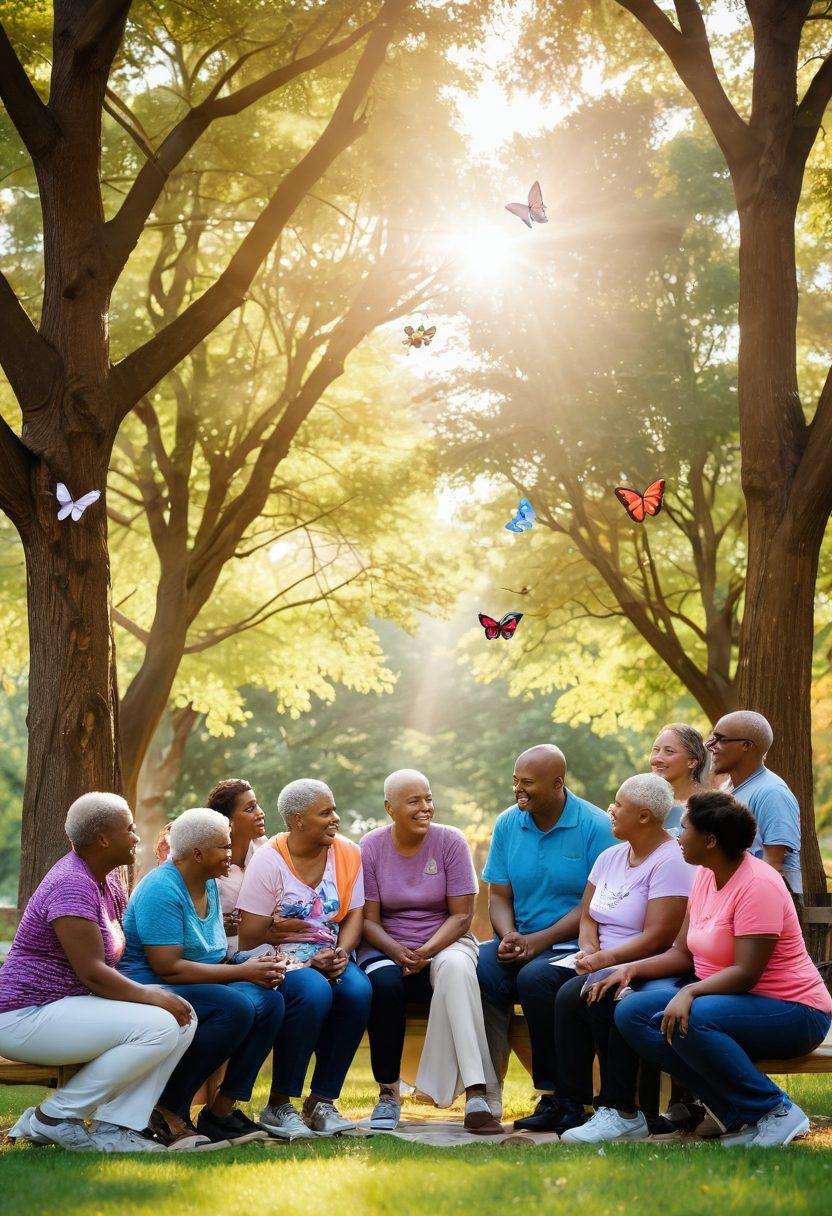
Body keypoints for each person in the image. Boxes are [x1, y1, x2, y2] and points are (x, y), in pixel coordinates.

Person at [599, 790, 831, 1147]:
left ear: (710, 840)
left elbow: (746, 973)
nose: (677, 834)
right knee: (631, 1012)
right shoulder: (705, 875)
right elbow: (681, 952)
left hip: (795, 1012)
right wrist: (629, 969)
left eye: (685, 827)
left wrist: (689, 992)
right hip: (734, 1006)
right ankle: (742, 1116)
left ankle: (777, 1112)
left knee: (692, 1016)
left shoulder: (758, 885)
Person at [0, 793, 196, 1153]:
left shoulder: (107, 879)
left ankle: (116, 1127)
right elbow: (93, 973)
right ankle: (56, 1116)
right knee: (160, 1024)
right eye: (130, 829)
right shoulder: (72, 884)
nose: (137, 837)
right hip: (23, 1015)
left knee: (182, 1017)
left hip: (64, 1006)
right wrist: (153, 995)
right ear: (103, 838)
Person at [119, 807, 286, 1149]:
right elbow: (168, 966)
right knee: (235, 1008)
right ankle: (167, 1105)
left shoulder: (208, 883)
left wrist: (252, 962)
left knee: (270, 1001)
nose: (231, 854)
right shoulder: (161, 890)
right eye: (224, 848)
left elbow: (209, 951)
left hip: (193, 979)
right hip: (150, 983)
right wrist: (242, 972)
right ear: (197, 853)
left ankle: (221, 1112)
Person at [543, 774, 695, 1143]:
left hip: (652, 964)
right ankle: (573, 1103)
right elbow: (588, 914)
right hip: (604, 958)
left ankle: (621, 1108)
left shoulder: (671, 860)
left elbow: (659, 937)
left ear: (643, 816)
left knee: (599, 996)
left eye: (619, 804)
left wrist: (605, 961)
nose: (610, 809)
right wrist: (591, 950)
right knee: (554, 989)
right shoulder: (611, 855)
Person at [476, 744, 616, 1132]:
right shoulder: (509, 823)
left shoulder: (595, 824)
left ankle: (560, 1097)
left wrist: (539, 940)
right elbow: (499, 895)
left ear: (558, 783)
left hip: (575, 944)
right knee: (481, 969)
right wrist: (508, 935)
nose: (519, 790)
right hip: (523, 941)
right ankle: (487, 1090)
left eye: (528, 783)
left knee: (535, 979)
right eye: (516, 781)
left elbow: (596, 904)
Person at [359, 769, 501, 1135]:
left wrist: (424, 952)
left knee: (457, 970)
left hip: (445, 943)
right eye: (414, 801)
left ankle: (476, 1094)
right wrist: (396, 950)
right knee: (384, 986)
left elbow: (462, 916)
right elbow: (368, 921)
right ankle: (389, 1094)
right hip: (386, 948)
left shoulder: (450, 841)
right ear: (390, 808)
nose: (426, 808)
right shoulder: (371, 846)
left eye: (428, 799)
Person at [237, 778, 372, 1140]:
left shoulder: (347, 853)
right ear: (297, 821)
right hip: (277, 957)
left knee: (357, 990)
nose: (336, 819)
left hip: (329, 951)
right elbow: (249, 934)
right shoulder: (270, 861)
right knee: (313, 991)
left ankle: (321, 1102)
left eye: (334, 810)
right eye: (325, 812)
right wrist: (279, 930)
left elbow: (355, 913)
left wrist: (342, 951)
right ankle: (279, 1103)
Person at [706, 710, 802, 898]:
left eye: (720, 739)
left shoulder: (772, 793)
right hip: (733, 898)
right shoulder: (728, 789)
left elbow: (774, 862)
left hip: (763, 903)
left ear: (746, 746)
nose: (711, 745)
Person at [206, 779, 268, 952]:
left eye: (257, 805)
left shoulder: (263, 847)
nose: (260, 813)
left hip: (267, 943)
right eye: (250, 809)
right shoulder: (210, 866)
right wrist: (218, 921)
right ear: (229, 822)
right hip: (224, 950)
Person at [649, 724, 709, 834]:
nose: (657, 758)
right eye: (656, 750)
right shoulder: (642, 800)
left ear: (692, 762)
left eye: (669, 751)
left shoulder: (709, 805)